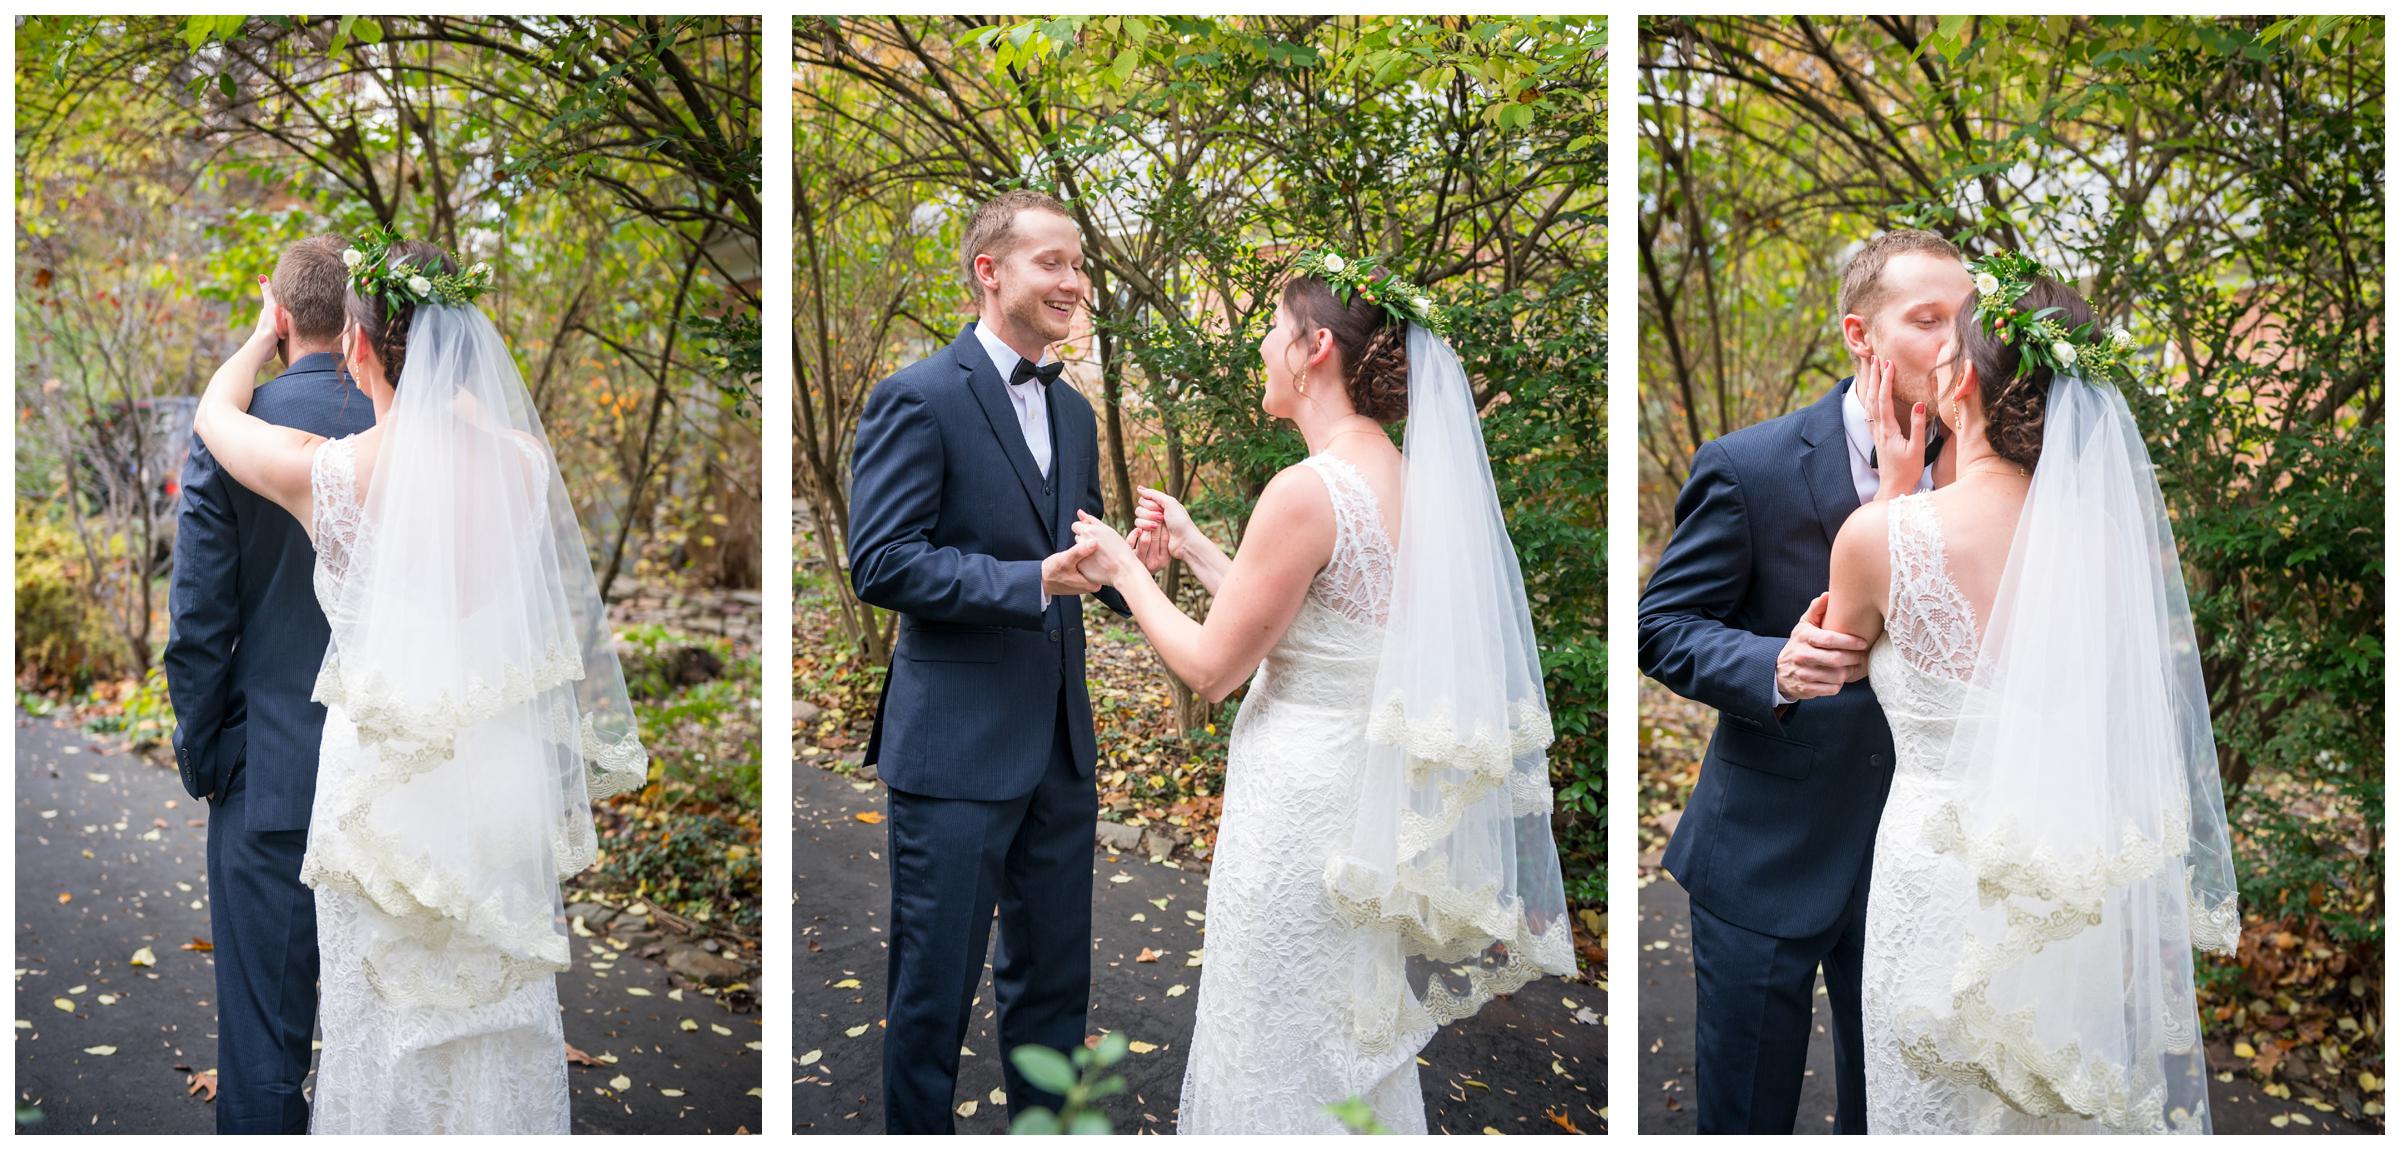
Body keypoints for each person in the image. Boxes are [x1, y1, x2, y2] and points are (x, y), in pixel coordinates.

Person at [1069, 249, 1572, 1133]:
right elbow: (1314, 628)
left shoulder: (1304, 491)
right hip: (1361, 806)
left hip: (1300, 813)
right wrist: (1189, 547)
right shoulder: (1403, 479)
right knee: (1336, 1037)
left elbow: (1212, 667)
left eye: (1273, 329)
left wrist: (1121, 568)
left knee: (1274, 1035)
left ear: (1315, 352)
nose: (1261, 346)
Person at [189, 228, 647, 1132]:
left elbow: (214, 417)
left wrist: (260, 334)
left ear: (357, 343)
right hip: (493, 778)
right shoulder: (522, 461)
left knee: (382, 1022)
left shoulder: (337, 474)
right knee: (493, 1015)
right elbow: (472, 417)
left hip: (381, 793)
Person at [1824, 252, 2237, 1133]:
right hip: (2063, 889)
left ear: (1964, 379)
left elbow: (1837, 654)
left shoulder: (1876, 538)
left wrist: (1893, 501)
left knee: (1925, 1109)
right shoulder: (2101, 538)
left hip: (1930, 885)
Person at [1637, 229, 1974, 1133]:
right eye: (1927, 319)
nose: (1953, 342)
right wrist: (1772, 668)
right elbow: (1661, 628)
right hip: (1765, 852)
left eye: (1966, 319)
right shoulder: (1749, 467)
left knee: (1892, 1113)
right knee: (1747, 1115)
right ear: (1861, 336)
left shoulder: (1988, 471)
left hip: (1922, 860)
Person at [845, 189, 1164, 1133]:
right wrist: (1031, 580)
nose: (1075, 281)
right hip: (954, 752)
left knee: (1056, 993)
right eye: (1052, 263)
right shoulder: (918, 395)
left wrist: (1123, 568)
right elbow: (884, 561)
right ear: (990, 272)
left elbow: (1076, 552)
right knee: (932, 996)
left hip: (1062, 752)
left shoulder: (1072, 414)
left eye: (1078, 265)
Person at [166, 234, 373, 1134]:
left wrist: (205, 749)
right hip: (406, 788)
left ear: (279, 313)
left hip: (272, 776)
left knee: (262, 1051)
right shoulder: (416, 426)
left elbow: (200, 617)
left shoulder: (233, 427)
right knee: (391, 1046)